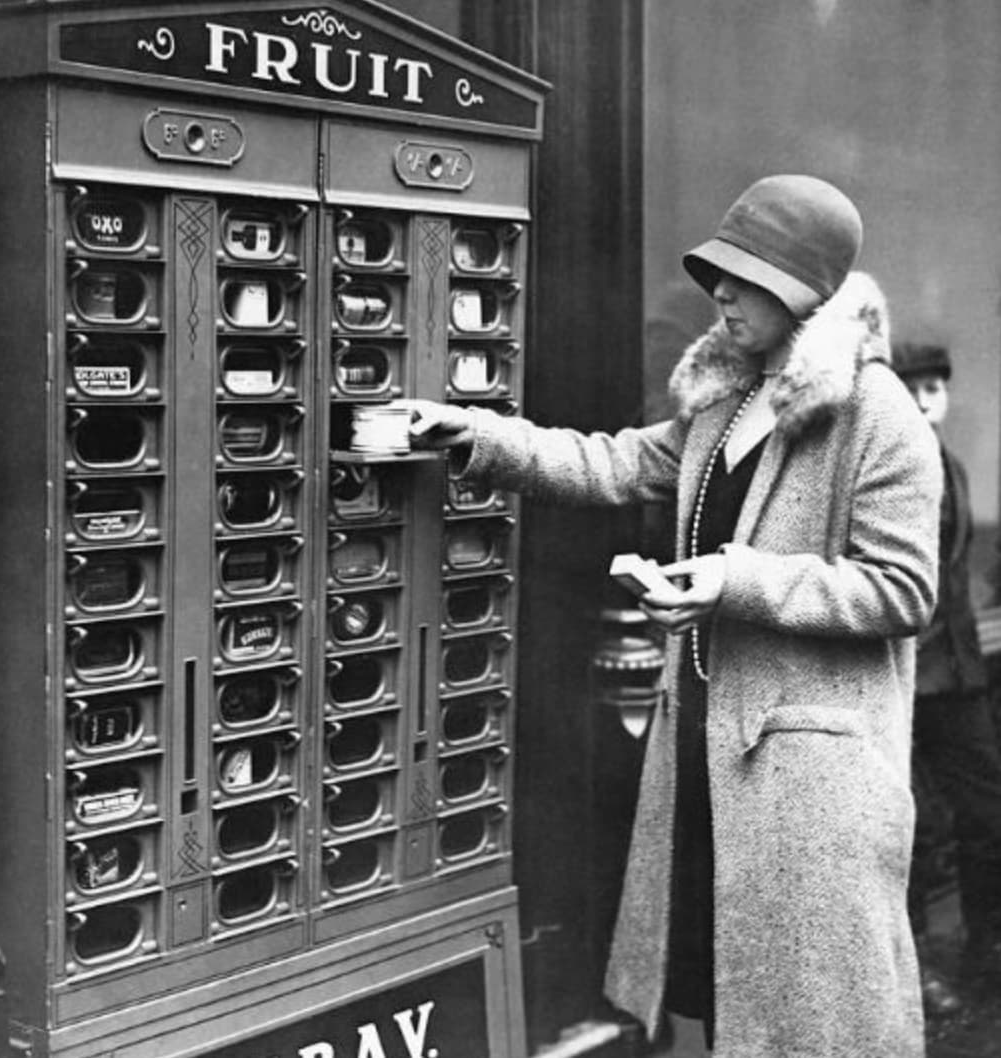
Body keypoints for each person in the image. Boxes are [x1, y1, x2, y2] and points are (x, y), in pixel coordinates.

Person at [401, 175, 941, 1057]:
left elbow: (901, 590)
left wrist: (736, 582)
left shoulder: (879, 418)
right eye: (715, 275)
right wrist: (471, 434)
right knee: (723, 998)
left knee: (809, 1019)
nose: (718, 294)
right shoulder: (727, 400)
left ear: (801, 288)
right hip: (708, 753)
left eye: (741, 276)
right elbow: (611, 464)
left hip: (809, 783)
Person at [891, 339, 1001, 1015]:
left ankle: (985, 952)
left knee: (989, 815)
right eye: (913, 384)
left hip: (958, 678)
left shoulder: (951, 466)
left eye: (937, 385)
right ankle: (913, 973)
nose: (928, 395)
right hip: (903, 679)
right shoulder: (891, 471)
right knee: (909, 831)